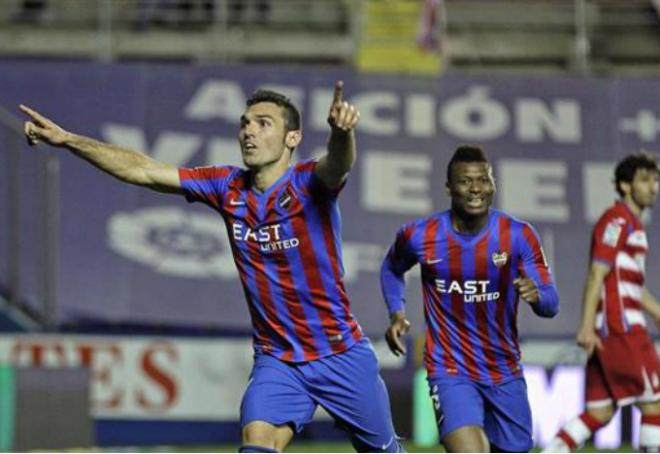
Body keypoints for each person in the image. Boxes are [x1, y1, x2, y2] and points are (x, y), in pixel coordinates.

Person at [20, 81, 404, 453]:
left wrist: (341, 134)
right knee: (256, 442)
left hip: (340, 353)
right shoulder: (226, 186)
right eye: (245, 123)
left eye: (263, 123)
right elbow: (143, 170)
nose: (248, 132)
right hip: (279, 360)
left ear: (293, 138)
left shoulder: (308, 183)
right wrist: (70, 140)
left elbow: (338, 164)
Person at [380, 145, 559, 452]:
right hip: (450, 370)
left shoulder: (518, 235)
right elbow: (391, 268)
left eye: (483, 180)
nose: (475, 188)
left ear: (493, 185)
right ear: (449, 187)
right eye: (465, 181)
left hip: (504, 371)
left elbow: (551, 304)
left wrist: (537, 296)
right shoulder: (420, 236)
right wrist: (396, 312)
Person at [542, 152, 660, 453]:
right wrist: (585, 326)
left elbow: (628, 284)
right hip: (620, 327)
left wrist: (656, 311)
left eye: (656, 180)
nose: (653, 187)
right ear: (624, 185)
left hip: (610, 328)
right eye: (645, 180)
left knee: (600, 412)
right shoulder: (617, 220)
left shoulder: (632, 223)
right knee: (655, 402)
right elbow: (597, 272)